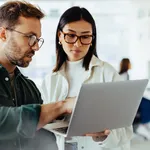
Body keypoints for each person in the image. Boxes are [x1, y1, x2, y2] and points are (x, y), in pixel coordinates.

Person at [41, 6, 133, 150]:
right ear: (60, 36)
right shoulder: (50, 80)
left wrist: (103, 137)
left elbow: (126, 131)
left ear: (92, 39)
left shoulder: (107, 73)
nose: (77, 44)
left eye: (85, 37)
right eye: (70, 35)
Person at [0, 1, 75, 150]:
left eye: (37, 40)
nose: (35, 47)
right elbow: (4, 120)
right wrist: (62, 106)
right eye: (30, 37)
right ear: (3, 34)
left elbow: (45, 138)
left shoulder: (29, 88)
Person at [119, 58, 150, 140]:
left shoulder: (120, 74)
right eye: (130, 63)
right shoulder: (126, 75)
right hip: (127, 101)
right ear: (127, 64)